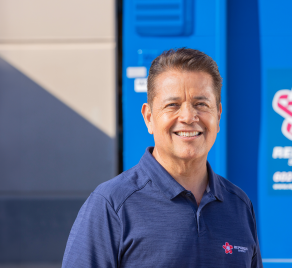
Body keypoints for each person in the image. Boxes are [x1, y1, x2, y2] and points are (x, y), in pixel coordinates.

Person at [62, 48, 262, 267]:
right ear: (149, 117)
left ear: (218, 115)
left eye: (201, 105)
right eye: (173, 105)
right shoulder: (112, 205)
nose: (188, 117)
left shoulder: (239, 205)